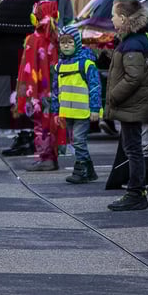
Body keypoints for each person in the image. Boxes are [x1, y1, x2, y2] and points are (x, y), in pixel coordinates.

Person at [104, 0, 148, 211]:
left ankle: (136, 192)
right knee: (133, 147)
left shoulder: (132, 43)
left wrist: (114, 96)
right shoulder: (133, 39)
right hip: (134, 103)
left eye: (113, 15)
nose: (111, 19)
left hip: (132, 104)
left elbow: (134, 76)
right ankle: (136, 191)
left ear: (123, 18)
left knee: (133, 149)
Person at [0, 0, 39, 157]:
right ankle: (30, 135)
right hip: (29, 60)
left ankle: (20, 139)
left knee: (8, 97)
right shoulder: (34, 1)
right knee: (27, 95)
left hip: (6, 61)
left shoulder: (7, 3)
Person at [15, 1, 64, 172]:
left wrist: (26, 93)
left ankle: (45, 158)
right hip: (54, 90)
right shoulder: (56, 36)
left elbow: (27, 69)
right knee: (52, 122)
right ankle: (52, 156)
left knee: (41, 125)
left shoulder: (34, 39)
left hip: (38, 92)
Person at [52, 25, 102, 184]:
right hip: (67, 111)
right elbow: (56, 91)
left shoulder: (86, 64)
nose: (66, 45)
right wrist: (56, 112)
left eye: (70, 42)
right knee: (75, 141)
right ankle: (89, 170)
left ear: (77, 43)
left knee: (79, 140)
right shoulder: (59, 66)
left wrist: (95, 108)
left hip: (83, 111)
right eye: (62, 42)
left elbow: (95, 87)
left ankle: (80, 170)